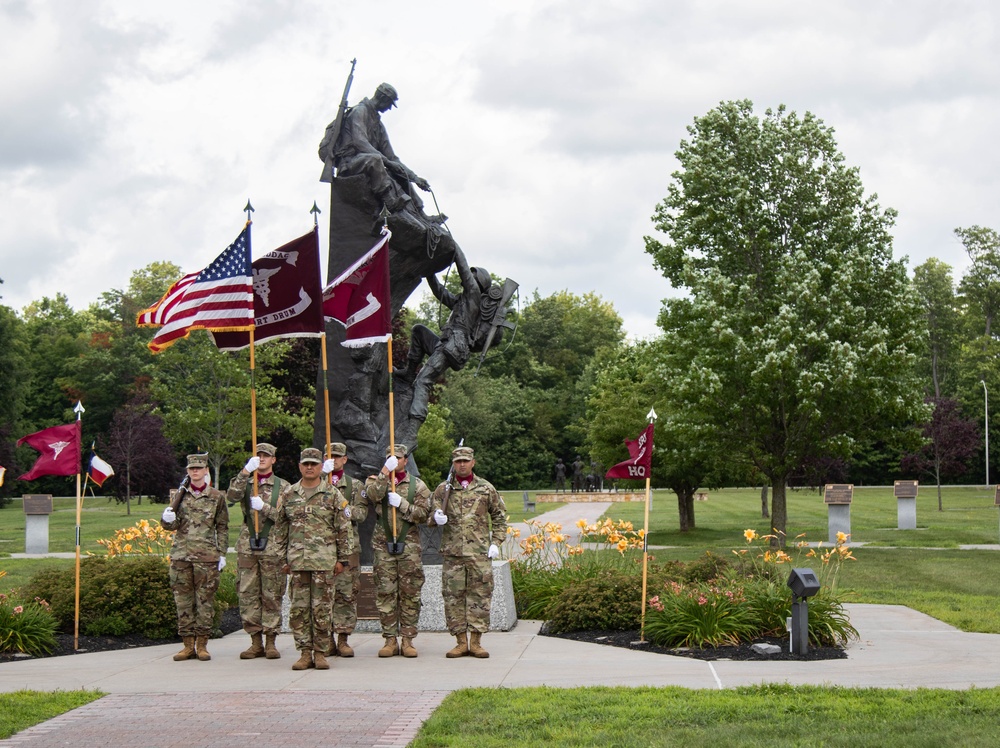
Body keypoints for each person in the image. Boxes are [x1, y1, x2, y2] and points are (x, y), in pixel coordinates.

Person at [269, 447, 351, 671]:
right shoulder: (289, 494)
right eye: (305, 463)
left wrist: (342, 559)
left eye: (313, 464)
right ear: (299, 466)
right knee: (299, 610)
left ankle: (321, 652)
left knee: (322, 609)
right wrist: (281, 558)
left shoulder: (332, 494)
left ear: (320, 466)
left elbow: (344, 529)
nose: (309, 467)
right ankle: (305, 652)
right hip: (297, 563)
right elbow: (279, 529)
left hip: (324, 563)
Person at [396, 246, 492, 424]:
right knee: (418, 330)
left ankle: (411, 431)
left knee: (423, 381)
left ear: (477, 281)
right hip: (445, 343)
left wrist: (453, 247)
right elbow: (439, 292)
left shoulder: (474, 296)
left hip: (453, 347)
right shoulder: (461, 300)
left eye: (472, 276)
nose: (467, 279)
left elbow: (462, 267)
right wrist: (429, 271)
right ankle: (409, 372)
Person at [431, 445, 507, 658]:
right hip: (453, 554)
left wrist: (496, 542)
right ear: (453, 464)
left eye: (465, 461)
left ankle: (476, 642)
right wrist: (435, 518)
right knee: (453, 597)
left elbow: (499, 517)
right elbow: (428, 515)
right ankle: (460, 641)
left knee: (480, 596)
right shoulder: (443, 489)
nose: (462, 464)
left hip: (479, 553)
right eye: (458, 461)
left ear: (473, 462)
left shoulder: (486, 488)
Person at [363, 444, 431, 657]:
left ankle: (408, 639)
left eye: (398, 458)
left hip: (409, 546)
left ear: (406, 460)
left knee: (410, 593)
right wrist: (384, 473)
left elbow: (422, 515)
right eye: (390, 458)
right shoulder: (375, 480)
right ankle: (390, 639)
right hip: (383, 545)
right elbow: (372, 496)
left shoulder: (417, 486)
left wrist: (402, 504)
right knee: (386, 593)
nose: (394, 461)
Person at [161, 453, 230, 662]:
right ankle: (187, 645)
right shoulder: (179, 496)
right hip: (181, 555)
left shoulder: (216, 497)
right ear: (188, 471)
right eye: (192, 469)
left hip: (207, 557)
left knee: (204, 602)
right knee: (183, 602)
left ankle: (202, 645)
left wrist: (222, 553)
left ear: (206, 470)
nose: (195, 472)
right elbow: (170, 525)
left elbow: (223, 526)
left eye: (199, 468)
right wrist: (166, 519)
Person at [225, 442, 290, 660]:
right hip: (248, 545)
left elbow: (286, 517)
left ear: (273, 460)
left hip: (272, 546)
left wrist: (265, 507)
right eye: (258, 455)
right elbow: (231, 497)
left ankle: (271, 641)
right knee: (248, 593)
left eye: (266, 456)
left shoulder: (284, 487)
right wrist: (244, 471)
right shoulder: (246, 482)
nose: (261, 459)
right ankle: (255, 641)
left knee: (272, 593)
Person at [327, 82, 433, 215]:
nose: (389, 108)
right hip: (350, 164)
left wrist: (415, 178)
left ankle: (421, 213)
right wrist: (388, 163)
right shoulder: (360, 111)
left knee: (399, 171)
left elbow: (392, 157)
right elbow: (360, 142)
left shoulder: (378, 125)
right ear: (382, 98)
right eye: (389, 104)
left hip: (368, 162)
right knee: (375, 159)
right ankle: (390, 201)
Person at [325, 441, 367, 657]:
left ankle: (342, 639)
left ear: (344, 460)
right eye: (328, 456)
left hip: (348, 547)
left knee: (346, 594)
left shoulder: (354, 486)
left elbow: (361, 514)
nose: (332, 460)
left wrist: (342, 505)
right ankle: (326, 639)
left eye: (337, 456)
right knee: (323, 595)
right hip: (321, 548)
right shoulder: (313, 484)